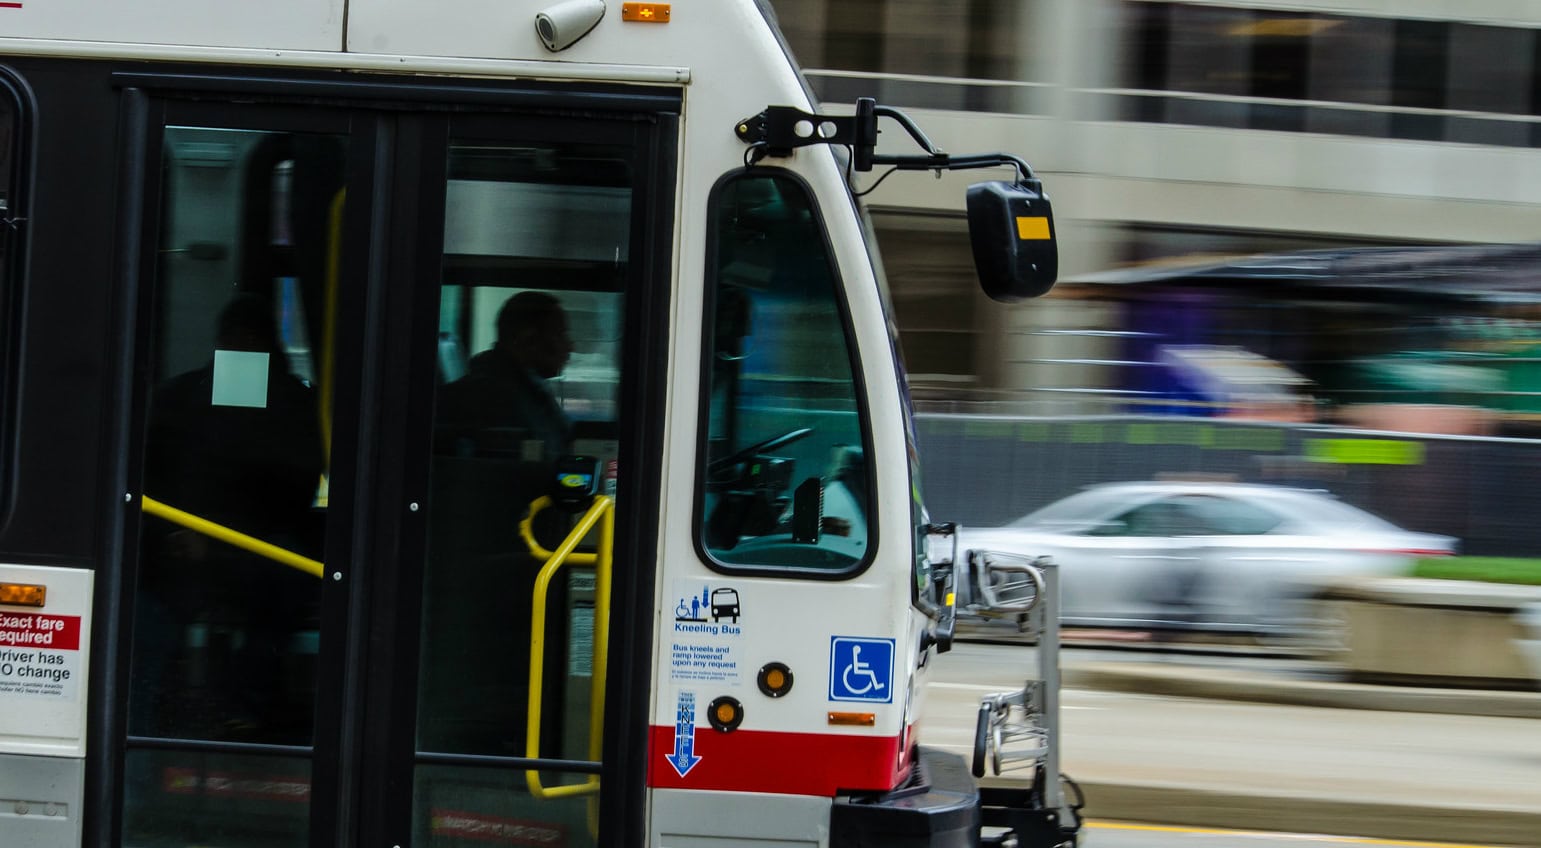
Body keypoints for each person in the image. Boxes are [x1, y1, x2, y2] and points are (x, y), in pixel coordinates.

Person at [134, 293, 325, 741]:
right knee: (151, 610)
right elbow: (145, 481)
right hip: (183, 543)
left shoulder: (292, 404)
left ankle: (245, 709)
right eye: (234, 339)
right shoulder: (177, 399)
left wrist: (231, 533)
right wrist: (176, 530)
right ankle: (155, 715)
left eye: (252, 341)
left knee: (282, 590)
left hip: (261, 544)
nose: (242, 350)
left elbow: (297, 485)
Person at [438, 290, 575, 461]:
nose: (570, 347)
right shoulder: (494, 400)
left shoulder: (529, 389)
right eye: (560, 334)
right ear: (528, 339)